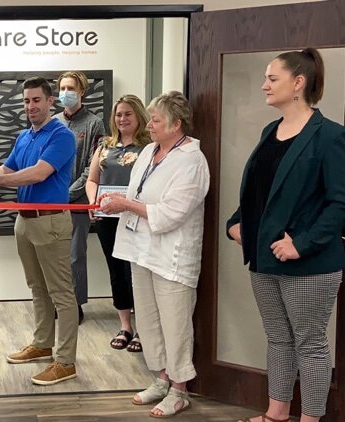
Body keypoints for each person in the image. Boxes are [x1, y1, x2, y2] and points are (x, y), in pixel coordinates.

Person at [227, 49, 345, 422]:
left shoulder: (331, 136)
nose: (264, 85)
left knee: (310, 344)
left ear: (298, 83)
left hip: (310, 264)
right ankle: (276, 414)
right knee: (279, 339)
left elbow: (341, 203)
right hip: (263, 258)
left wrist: (301, 243)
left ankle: (311, 419)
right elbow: (259, 192)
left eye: (272, 78)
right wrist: (236, 222)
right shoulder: (271, 131)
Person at [99, 91, 209, 418]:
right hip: (142, 251)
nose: (151, 125)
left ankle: (179, 390)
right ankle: (161, 379)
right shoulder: (148, 151)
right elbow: (136, 192)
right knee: (148, 321)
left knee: (175, 324)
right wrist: (116, 202)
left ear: (176, 124)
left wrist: (126, 205)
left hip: (172, 256)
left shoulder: (191, 160)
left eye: (157, 120)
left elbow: (172, 213)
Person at [0, 77, 79, 386]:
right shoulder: (24, 136)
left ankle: (66, 361)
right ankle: (43, 344)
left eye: (36, 100)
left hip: (51, 222)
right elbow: (7, 170)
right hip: (25, 221)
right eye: (26, 101)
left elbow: (38, 173)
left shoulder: (62, 136)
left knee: (61, 293)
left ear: (50, 102)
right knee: (38, 287)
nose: (31, 106)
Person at [85, 95, 150, 352]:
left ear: (139, 117)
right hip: (107, 218)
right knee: (115, 270)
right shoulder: (104, 145)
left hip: (135, 217)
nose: (122, 119)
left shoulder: (149, 147)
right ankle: (125, 326)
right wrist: (93, 202)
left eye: (127, 114)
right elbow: (92, 179)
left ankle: (144, 329)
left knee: (135, 272)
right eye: (118, 114)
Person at [55, 71, 105, 324]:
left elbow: (92, 167)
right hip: (52, 202)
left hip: (76, 201)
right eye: (62, 87)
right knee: (55, 255)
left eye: (71, 87)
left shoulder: (94, 123)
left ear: (82, 91)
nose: (65, 92)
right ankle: (58, 302)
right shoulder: (53, 122)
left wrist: (69, 193)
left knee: (75, 255)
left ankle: (75, 304)